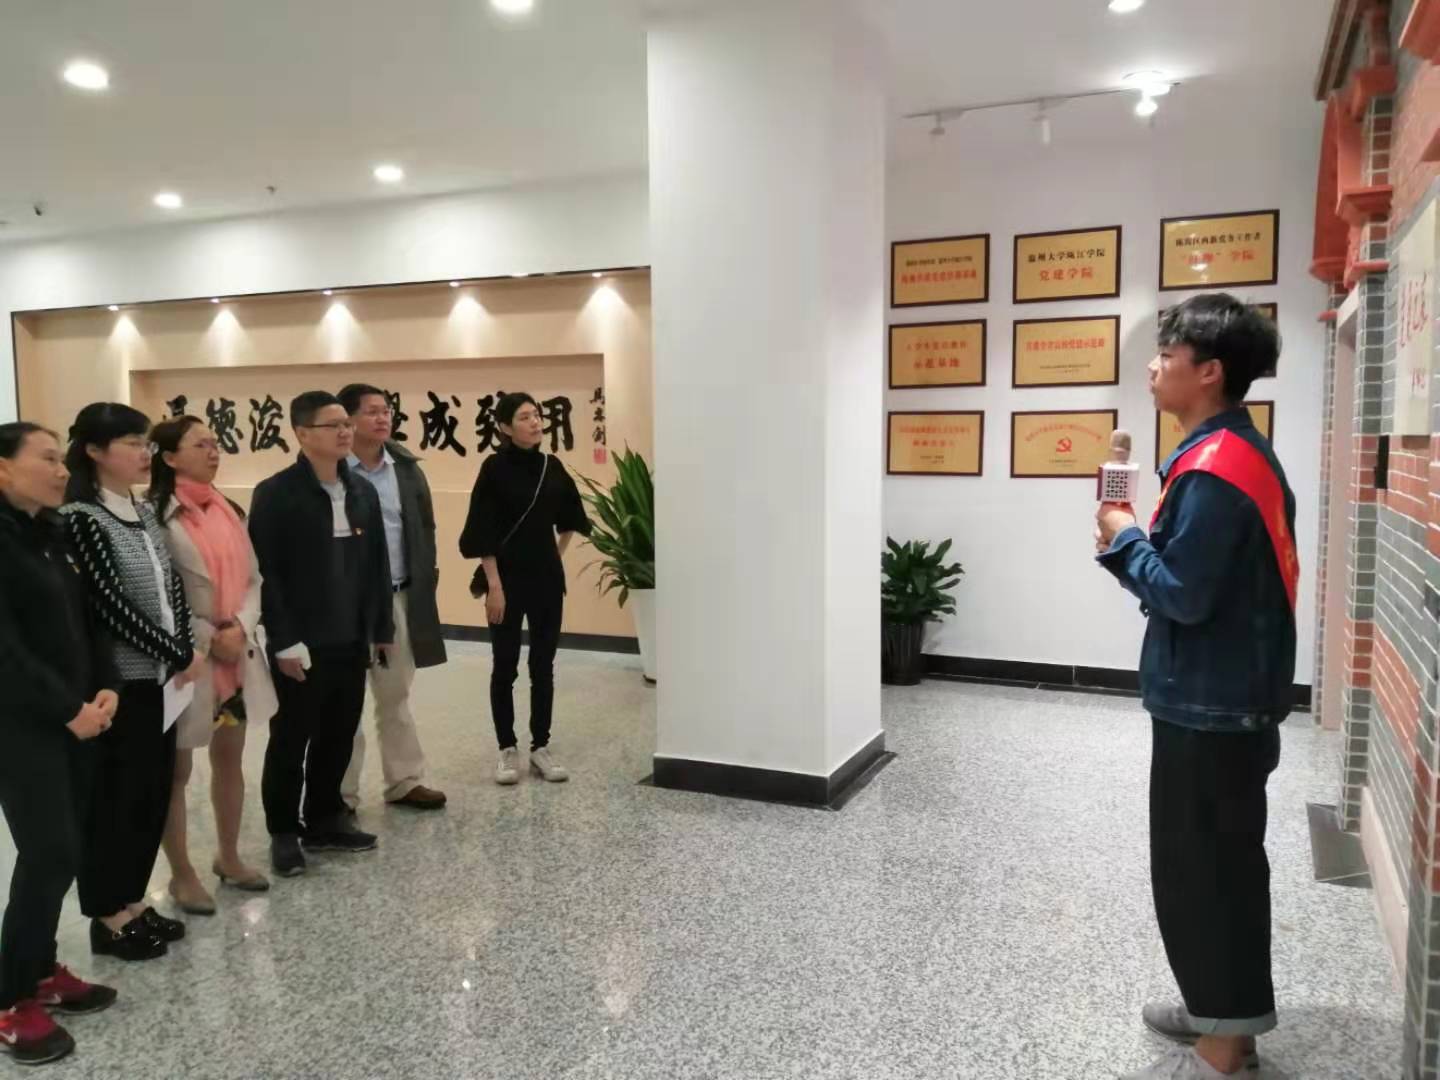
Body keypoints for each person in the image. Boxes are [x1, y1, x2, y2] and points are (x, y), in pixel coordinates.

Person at [1095, 294, 1294, 1080]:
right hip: (1221, 693)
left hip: (1211, 704)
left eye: (1167, 354)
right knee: (1216, 864)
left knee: (1202, 871)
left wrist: (1123, 537)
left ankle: (1221, 1045)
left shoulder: (1218, 468)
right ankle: (1220, 1010)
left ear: (1209, 372)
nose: (1153, 366)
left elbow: (1182, 593)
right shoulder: (1227, 452)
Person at [62, 403, 203, 962]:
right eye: (131, 444)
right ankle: (108, 913)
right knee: (117, 796)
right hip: (121, 682)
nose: (145, 454)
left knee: (151, 791)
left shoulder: (142, 509)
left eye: (146, 443)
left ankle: (134, 899)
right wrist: (175, 650)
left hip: (163, 677)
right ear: (95, 451)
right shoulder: (82, 517)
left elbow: (172, 587)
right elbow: (107, 604)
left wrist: (182, 645)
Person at [0, 423, 121, 1066]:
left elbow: (86, 620)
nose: (61, 469)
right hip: (22, 725)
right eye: (46, 459)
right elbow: (6, 652)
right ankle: (9, 997)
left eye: (59, 458)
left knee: (66, 849)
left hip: (78, 715)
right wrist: (66, 709)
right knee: (48, 852)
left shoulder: (52, 533)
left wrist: (105, 688)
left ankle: (41, 970)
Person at [248, 391, 395, 878]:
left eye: (345, 424)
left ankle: (325, 819)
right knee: (291, 738)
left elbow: (376, 566)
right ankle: (283, 832)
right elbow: (266, 575)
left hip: (350, 637)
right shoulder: (276, 493)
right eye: (333, 425)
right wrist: (283, 639)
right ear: (302, 433)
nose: (344, 432)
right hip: (301, 642)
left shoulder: (361, 491)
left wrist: (381, 628)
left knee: (338, 733)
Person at [150, 417, 279, 914]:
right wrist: (208, 636)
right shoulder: (155, 516)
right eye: (200, 444)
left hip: (235, 652)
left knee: (231, 756)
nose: (213, 451)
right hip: (186, 658)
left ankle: (229, 855)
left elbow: (254, 579)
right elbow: (160, 594)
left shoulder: (229, 508)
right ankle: (182, 873)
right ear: (169, 457)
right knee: (177, 770)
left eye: (215, 443)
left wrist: (241, 627)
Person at [460, 392, 592, 785]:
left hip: (546, 580)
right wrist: (494, 587)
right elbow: (482, 531)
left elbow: (572, 518)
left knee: (543, 666)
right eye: (524, 417)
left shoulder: (553, 466)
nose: (535, 422)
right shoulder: (494, 468)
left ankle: (540, 747)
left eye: (536, 415)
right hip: (506, 581)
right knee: (505, 665)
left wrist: (555, 555)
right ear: (504, 427)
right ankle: (507, 748)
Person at [336, 384, 448, 812]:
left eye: (386, 411)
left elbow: (425, 528)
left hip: (399, 596)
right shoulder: (330, 470)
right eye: (372, 412)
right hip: (347, 606)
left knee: (396, 696)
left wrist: (425, 579)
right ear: (347, 420)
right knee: (345, 703)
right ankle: (340, 793)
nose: (383, 418)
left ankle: (404, 781)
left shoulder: (405, 468)